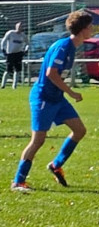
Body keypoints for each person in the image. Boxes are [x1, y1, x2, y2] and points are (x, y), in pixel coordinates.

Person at [11, 11, 93, 192]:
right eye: (90, 27)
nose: (92, 30)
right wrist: (72, 92)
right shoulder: (63, 46)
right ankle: (18, 181)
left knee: (79, 130)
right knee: (38, 140)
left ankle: (56, 165)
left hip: (56, 98)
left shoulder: (72, 46)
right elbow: (51, 73)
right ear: (82, 29)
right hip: (43, 98)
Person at [1, 21, 28, 89]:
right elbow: (3, 41)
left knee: (17, 70)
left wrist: (26, 50)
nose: (19, 28)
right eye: (18, 26)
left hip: (18, 54)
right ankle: (3, 85)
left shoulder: (23, 35)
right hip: (10, 54)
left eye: (21, 27)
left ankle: (14, 86)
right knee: (8, 70)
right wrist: (3, 49)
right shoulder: (10, 33)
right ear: (16, 27)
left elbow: (28, 43)